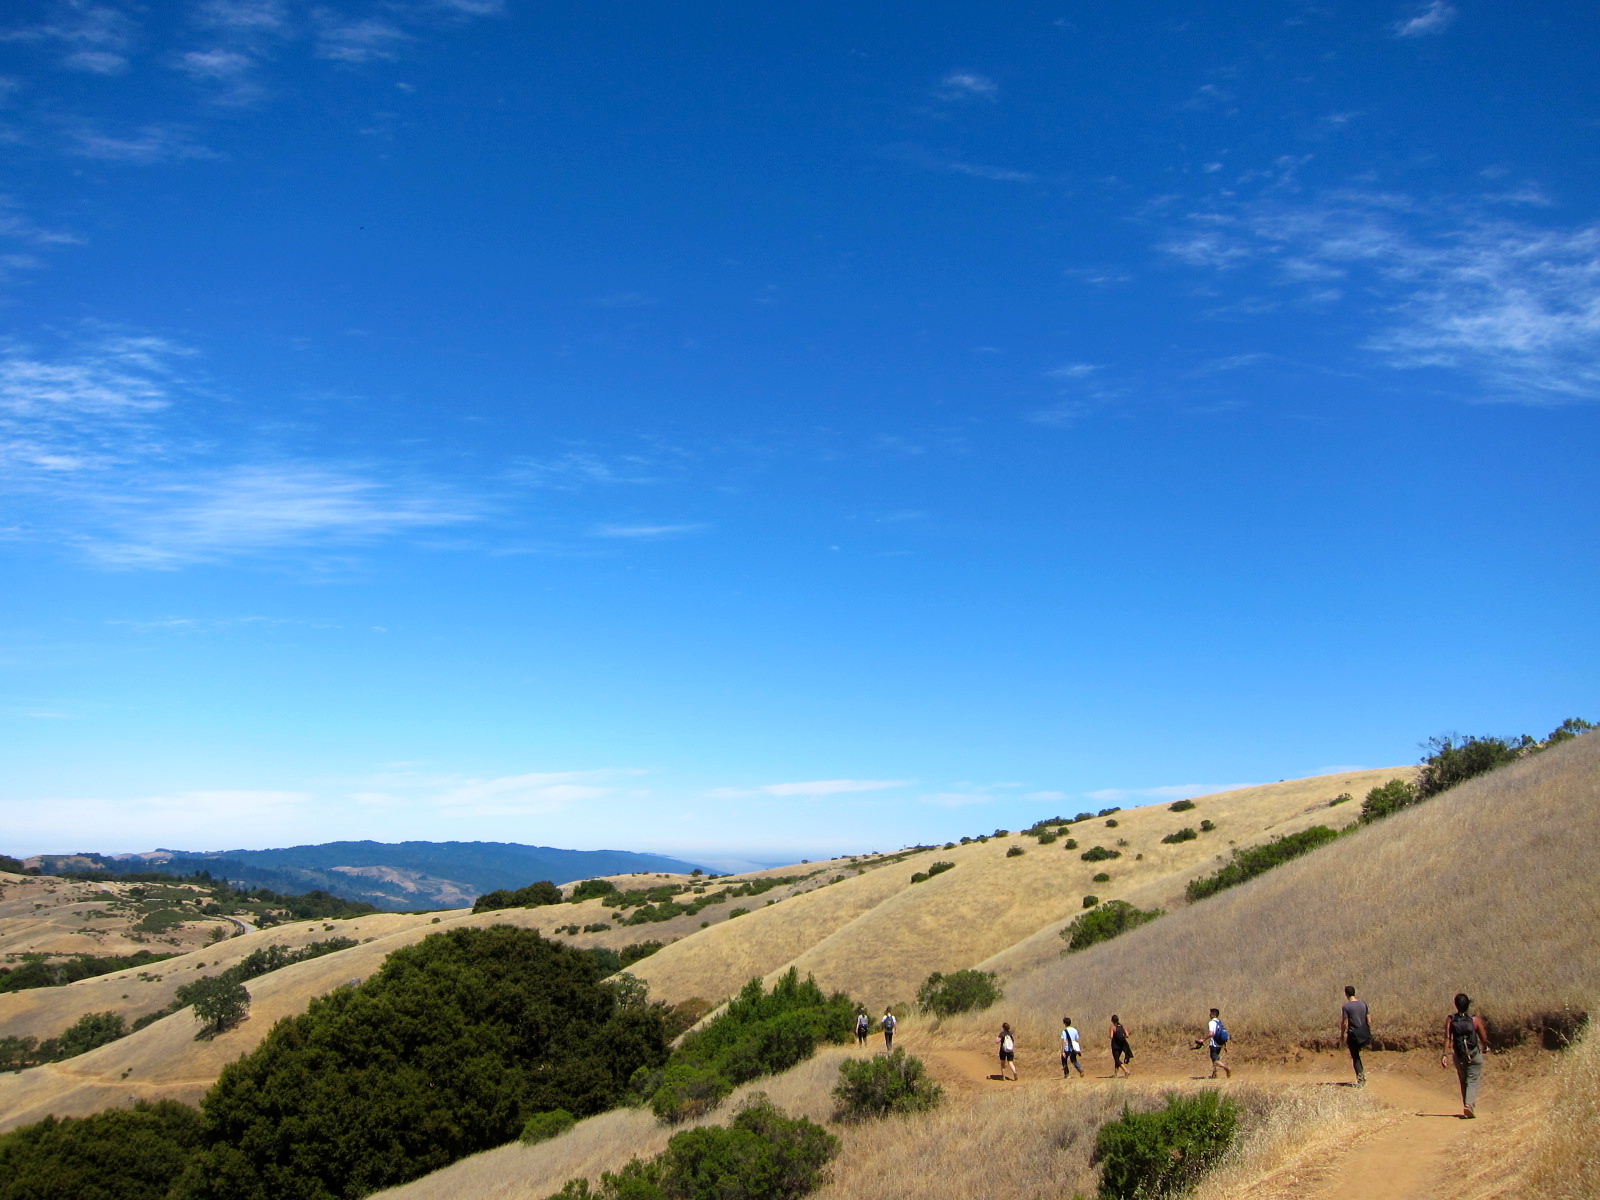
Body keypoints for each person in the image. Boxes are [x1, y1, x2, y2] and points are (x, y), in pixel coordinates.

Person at [1443, 993, 1489, 1118]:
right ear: (1468, 1004)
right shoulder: (1474, 1019)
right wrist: (1485, 1046)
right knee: (1473, 1080)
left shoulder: (1451, 1019)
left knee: (1463, 1081)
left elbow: (1448, 1037)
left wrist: (1444, 1054)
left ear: (1456, 1005)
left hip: (1459, 1055)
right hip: (1473, 1053)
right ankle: (1469, 1105)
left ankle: (1467, 1105)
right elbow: (1483, 1036)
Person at [1339, 985, 1371, 1087]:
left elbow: (1344, 1023)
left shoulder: (1346, 1007)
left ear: (1346, 994)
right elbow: (1369, 1020)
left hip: (1354, 1035)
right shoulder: (1363, 1004)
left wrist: (1342, 1035)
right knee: (1358, 1054)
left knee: (1355, 1057)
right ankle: (1362, 1078)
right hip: (1365, 1033)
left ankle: (1361, 1079)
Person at [1205, 1008, 1231, 1078]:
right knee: (1214, 1059)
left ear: (1213, 1014)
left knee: (1215, 1060)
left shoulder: (1211, 1022)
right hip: (1220, 1044)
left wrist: (1203, 1040)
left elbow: (1211, 1034)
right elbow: (1223, 1033)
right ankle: (1214, 1074)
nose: (1209, 1015)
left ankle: (1226, 1068)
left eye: (1210, 1013)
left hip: (1214, 1044)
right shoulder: (1220, 1022)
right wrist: (1225, 1046)